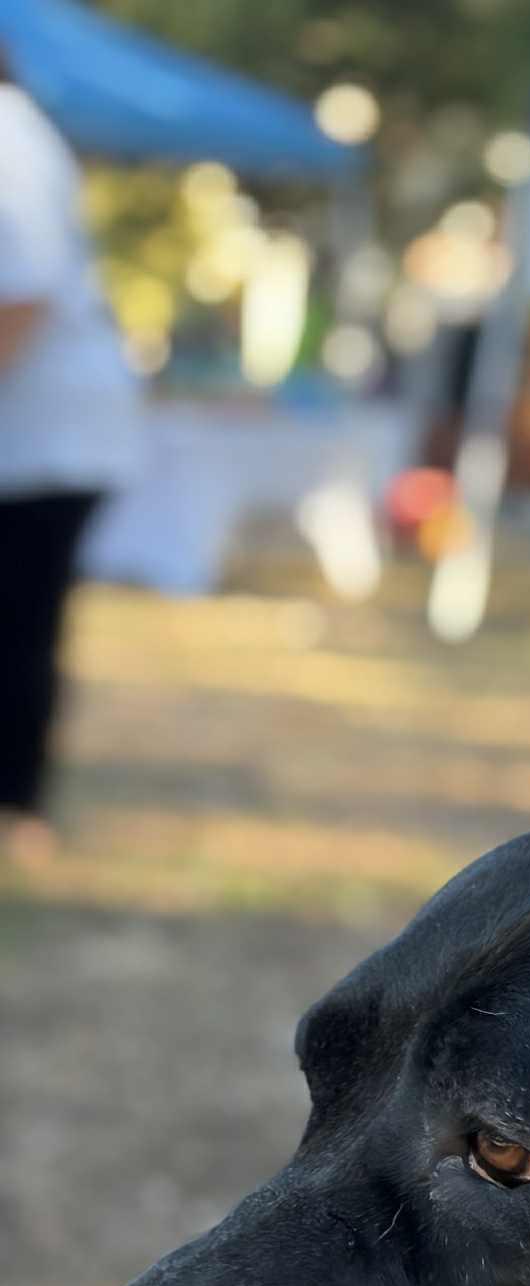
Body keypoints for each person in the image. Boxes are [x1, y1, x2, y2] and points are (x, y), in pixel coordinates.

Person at [0, 51, 142, 862]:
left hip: (43, 440)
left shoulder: (6, 135)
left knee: (18, 623)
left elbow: (23, 288)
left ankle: (18, 809)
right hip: (35, 435)